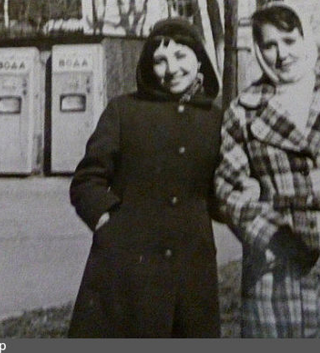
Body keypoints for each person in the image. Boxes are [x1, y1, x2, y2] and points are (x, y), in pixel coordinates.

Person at [214, 2, 320, 338]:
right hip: (278, 256)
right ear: (257, 50)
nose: (281, 54)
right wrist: (276, 238)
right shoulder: (244, 111)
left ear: (306, 40)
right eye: (269, 45)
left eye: (289, 40)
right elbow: (228, 189)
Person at [67, 17, 223, 338]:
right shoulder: (124, 111)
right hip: (126, 268)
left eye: (181, 57)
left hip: (191, 270)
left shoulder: (217, 120)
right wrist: (107, 222)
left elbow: (222, 192)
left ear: (199, 59)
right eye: (160, 61)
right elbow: (87, 179)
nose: (172, 69)